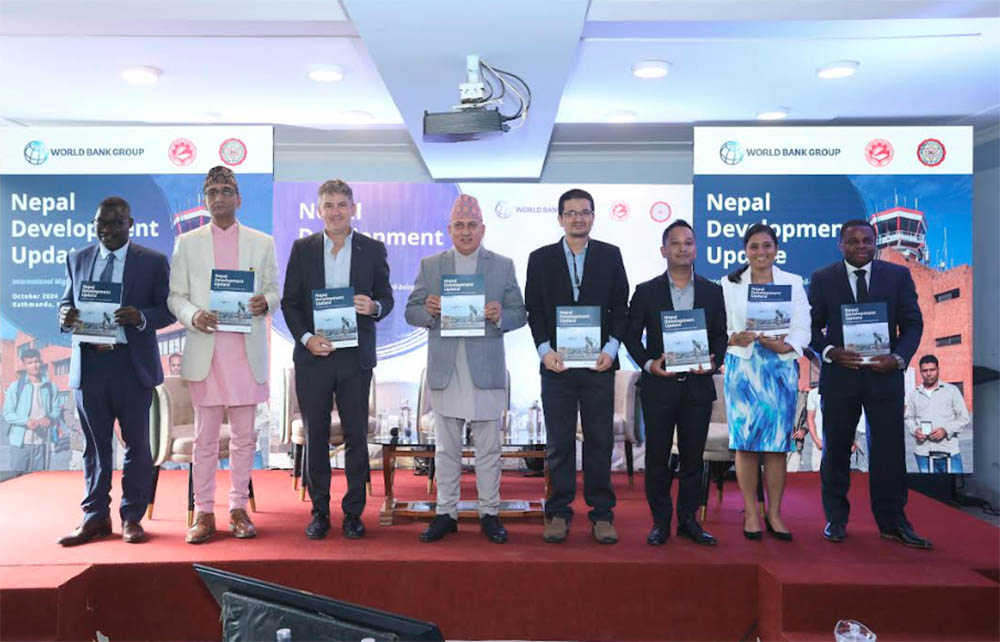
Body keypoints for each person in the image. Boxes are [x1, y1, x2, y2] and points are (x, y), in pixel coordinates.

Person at [404, 194, 527, 544]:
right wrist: (428, 311)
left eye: (472, 225)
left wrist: (500, 315)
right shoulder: (431, 265)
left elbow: (521, 313)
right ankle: (446, 513)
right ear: (449, 229)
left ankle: (490, 513)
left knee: (489, 450)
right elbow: (411, 312)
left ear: (483, 229)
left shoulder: (502, 265)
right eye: (459, 225)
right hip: (446, 369)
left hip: (485, 368)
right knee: (446, 450)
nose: (466, 231)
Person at [168, 167, 279, 544]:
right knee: (205, 441)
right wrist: (193, 315)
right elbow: (175, 297)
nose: (219, 197)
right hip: (207, 352)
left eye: (226, 191)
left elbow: (274, 290)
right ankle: (203, 513)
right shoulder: (187, 243)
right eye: (212, 191)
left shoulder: (262, 242)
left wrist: (266, 302)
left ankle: (238, 509)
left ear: (238, 199)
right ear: (205, 199)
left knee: (244, 439)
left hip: (246, 354)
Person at [56, 196, 175, 545]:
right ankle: (94, 517)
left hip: (131, 366)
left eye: (115, 223)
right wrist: (64, 315)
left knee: (137, 445)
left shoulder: (152, 262)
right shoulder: (77, 259)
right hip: (89, 366)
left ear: (130, 224)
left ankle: (131, 518)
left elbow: (167, 311)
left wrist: (141, 317)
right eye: (101, 224)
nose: (106, 230)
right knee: (94, 447)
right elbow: (66, 303)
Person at [281, 179, 393, 540]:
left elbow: (387, 298)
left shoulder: (372, 249)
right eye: (328, 205)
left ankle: (353, 513)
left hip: (354, 359)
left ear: (353, 209)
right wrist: (307, 338)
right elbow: (290, 303)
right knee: (315, 437)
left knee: (356, 435)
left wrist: (374, 307)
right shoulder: (302, 249)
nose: (335, 212)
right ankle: (319, 512)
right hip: (314, 358)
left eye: (342, 204)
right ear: (319, 210)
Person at [808, 219, 930, 548]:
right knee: (835, 451)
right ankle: (836, 519)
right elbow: (811, 328)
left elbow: (913, 324)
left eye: (867, 240)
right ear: (840, 244)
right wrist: (830, 352)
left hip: (884, 377)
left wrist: (898, 358)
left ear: (875, 243)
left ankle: (893, 522)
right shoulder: (822, 278)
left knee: (889, 453)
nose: (861, 246)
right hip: (840, 378)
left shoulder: (897, 276)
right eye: (853, 241)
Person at [524, 188, 628, 544]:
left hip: (599, 365)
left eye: (584, 212)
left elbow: (621, 308)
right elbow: (534, 310)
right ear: (560, 218)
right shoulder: (540, 258)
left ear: (593, 217)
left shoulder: (611, 255)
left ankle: (602, 514)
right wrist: (544, 350)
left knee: (600, 441)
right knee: (559, 443)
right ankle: (558, 512)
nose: (578, 218)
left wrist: (611, 349)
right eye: (571, 213)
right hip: (557, 367)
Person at [624, 220, 727, 547]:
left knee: (693, 459)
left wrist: (714, 362)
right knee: (657, 458)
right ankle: (660, 522)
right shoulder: (646, 291)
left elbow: (720, 336)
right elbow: (630, 336)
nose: (683, 248)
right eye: (676, 243)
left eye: (689, 242)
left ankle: (688, 521)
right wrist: (648, 364)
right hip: (659, 388)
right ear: (663, 250)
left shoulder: (713, 291)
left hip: (697, 388)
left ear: (696, 248)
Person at [722, 223, 811, 541]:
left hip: (779, 370)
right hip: (743, 369)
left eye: (767, 246)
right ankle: (750, 512)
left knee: (775, 447)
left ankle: (774, 513)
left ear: (776, 249)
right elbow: (719, 325)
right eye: (754, 246)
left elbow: (804, 326)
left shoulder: (793, 281)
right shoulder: (730, 283)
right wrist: (732, 336)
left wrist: (788, 345)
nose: (761, 252)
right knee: (745, 445)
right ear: (745, 251)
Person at [905, 354, 969, 473]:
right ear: (920, 372)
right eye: (925, 371)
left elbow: (964, 418)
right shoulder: (914, 394)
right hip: (923, 453)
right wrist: (915, 430)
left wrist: (946, 430)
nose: (929, 374)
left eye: (932, 370)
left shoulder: (951, 391)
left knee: (954, 484)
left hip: (948, 452)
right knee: (929, 485)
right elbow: (908, 418)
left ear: (938, 370)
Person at [3, 349, 61, 474]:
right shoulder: (16, 386)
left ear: (41, 362)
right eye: (29, 363)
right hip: (20, 444)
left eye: (36, 361)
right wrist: (26, 421)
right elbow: (7, 414)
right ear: (24, 365)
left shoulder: (51, 387)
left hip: (42, 443)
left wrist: (50, 419)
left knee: (39, 480)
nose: (34, 365)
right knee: (17, 479)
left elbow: (56, 410)